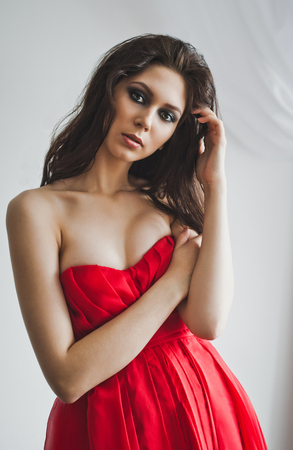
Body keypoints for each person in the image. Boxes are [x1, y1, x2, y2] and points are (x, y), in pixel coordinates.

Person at [6, 34, 267, 449]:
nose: (147, 121)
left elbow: (208, 322)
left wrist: (215, 186)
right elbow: (67, 378)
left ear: (175, 134)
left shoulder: (169, 206)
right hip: (103, 424)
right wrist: (173, 282)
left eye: (167, 115)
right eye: (139, 96)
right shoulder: (36, 211)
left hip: (197, 404)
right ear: (110, 90)